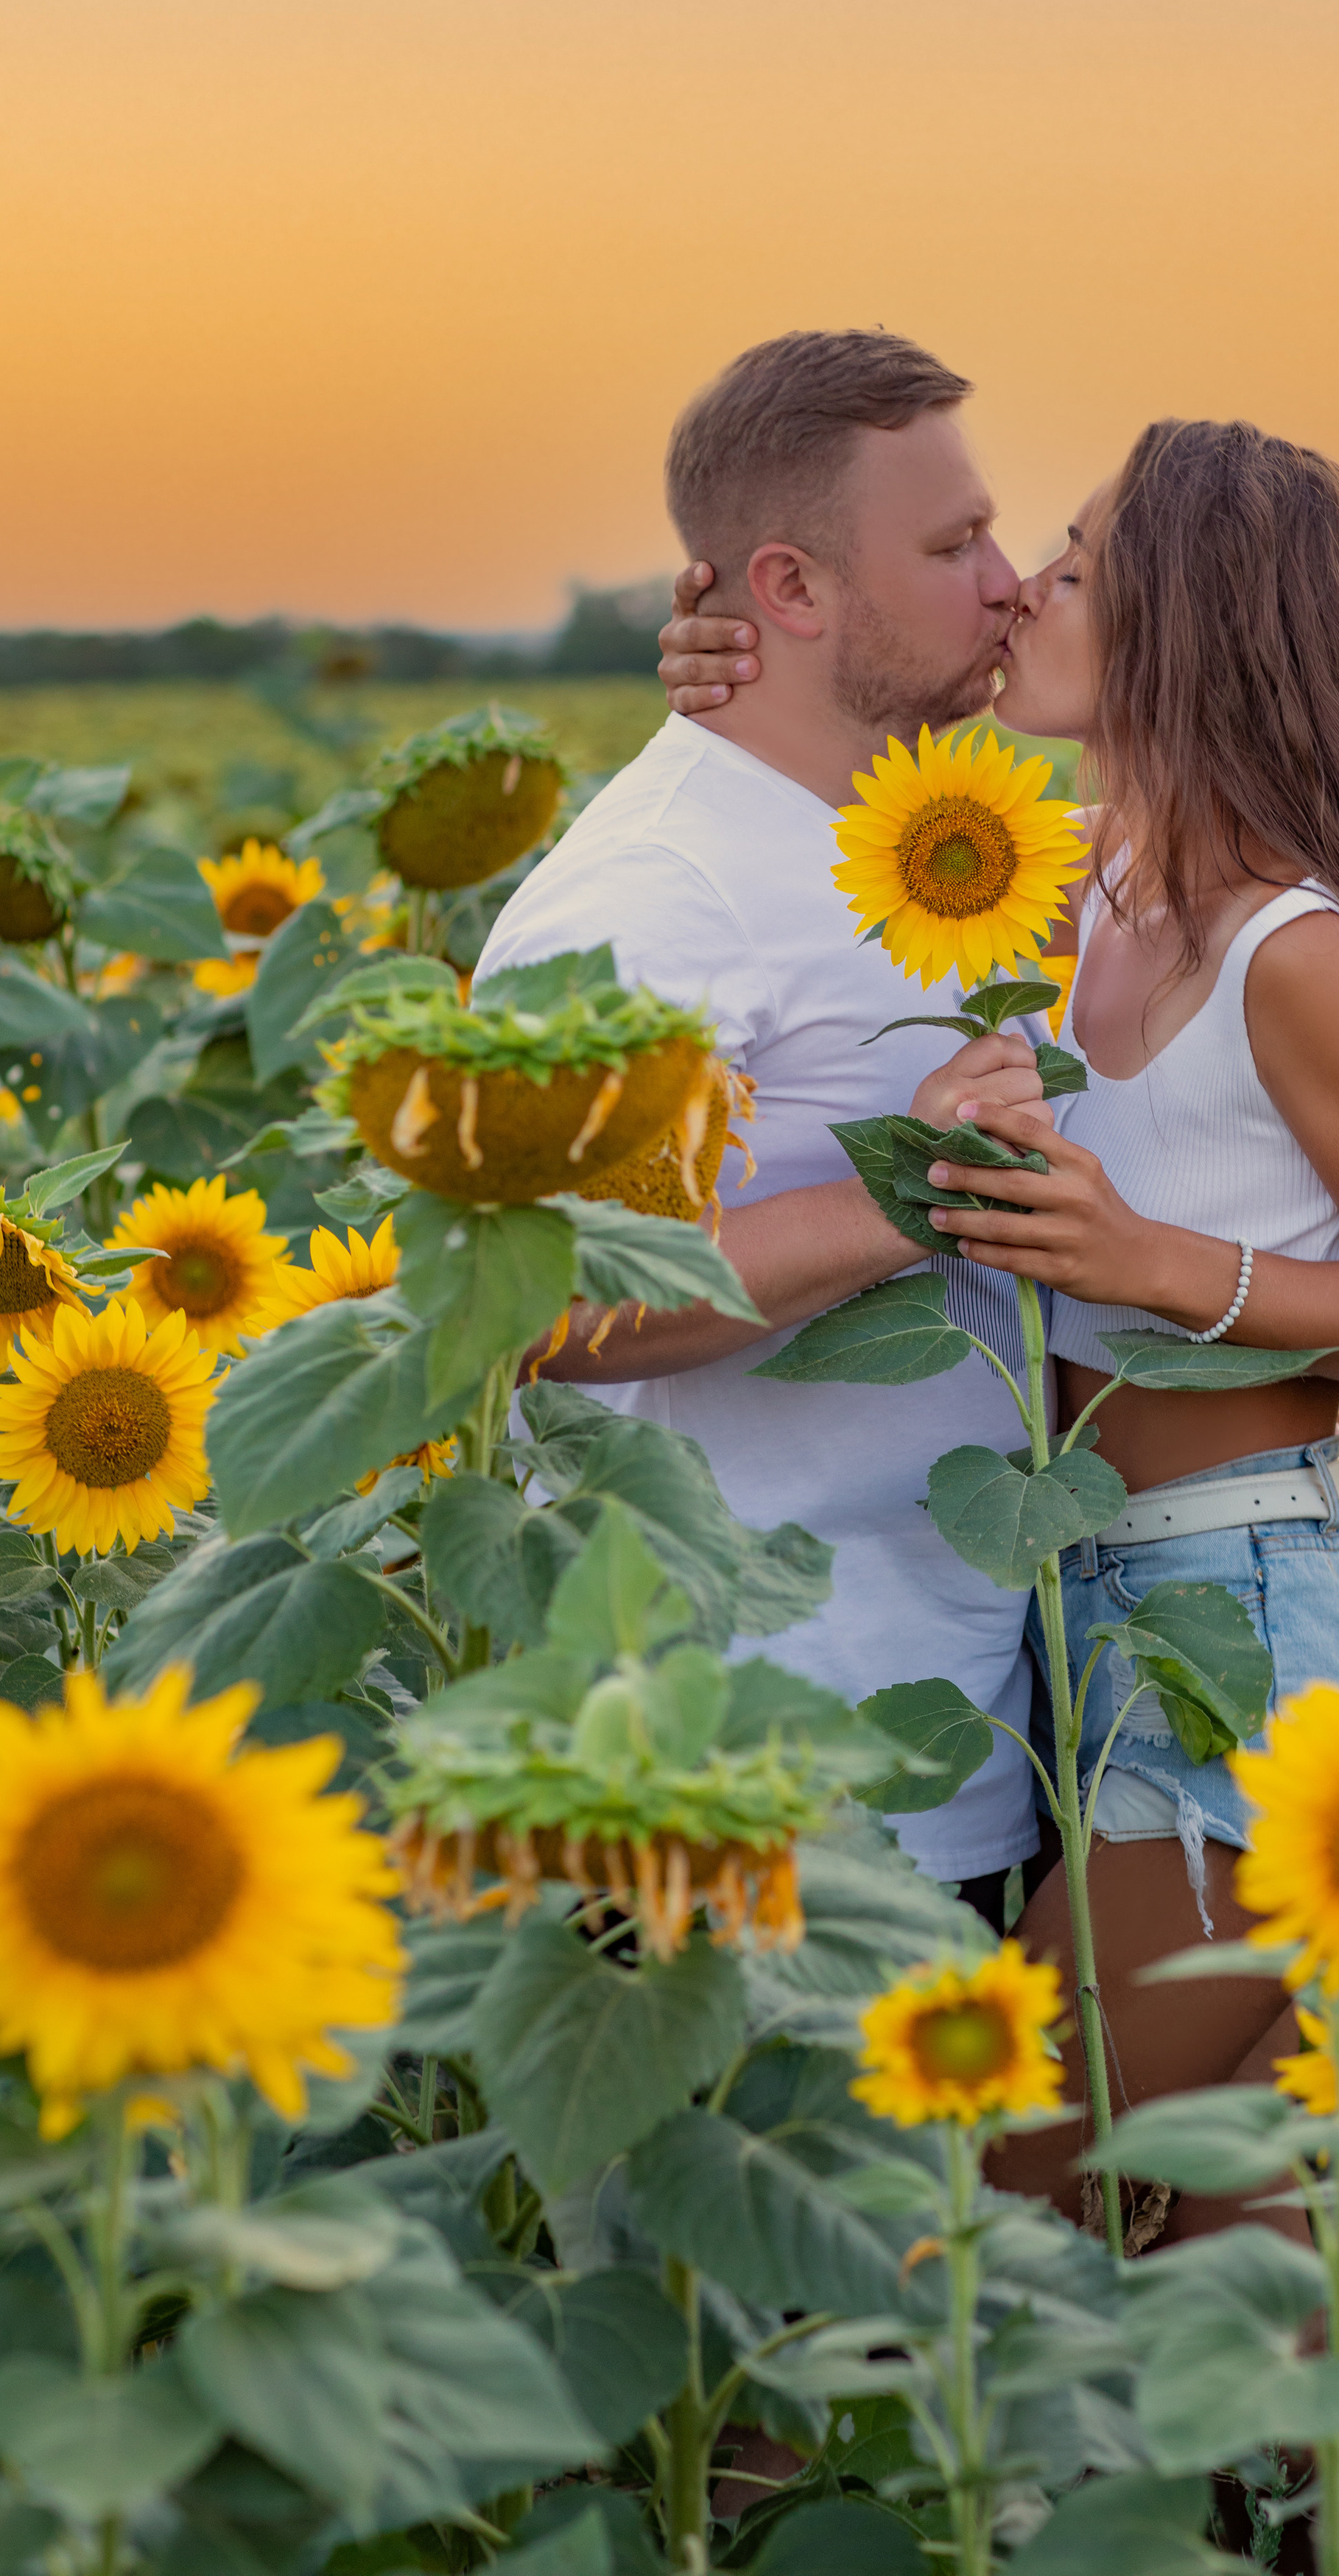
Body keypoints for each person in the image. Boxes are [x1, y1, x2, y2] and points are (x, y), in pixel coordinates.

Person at [657, 415, 1339, 2242]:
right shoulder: (1090, 885)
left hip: (1246, 1637)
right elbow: (867, 747)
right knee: (1247, 2293)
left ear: (1189, 630)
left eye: (1081, 566)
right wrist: (726, 654)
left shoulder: (1293, 951)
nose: (1023, 585)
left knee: (987, 2200)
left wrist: (1152, 1262)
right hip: (1103, 1625)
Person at [476, 328, 1057, 1920]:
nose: (1007, 581)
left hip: (940, 1726)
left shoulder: (915, 843)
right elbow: (546, 1299)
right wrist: (920, 1189)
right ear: (790, 593)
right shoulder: (653, 891)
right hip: (727, 1757)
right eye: (952, 547)